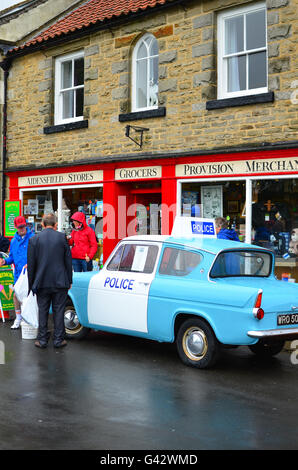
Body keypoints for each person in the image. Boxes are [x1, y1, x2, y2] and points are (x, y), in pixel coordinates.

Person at [27, 213, 73, 349]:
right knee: (59, 310)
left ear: (42, 224)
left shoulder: (34, 239)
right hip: (60, 281)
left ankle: (42, 340)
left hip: (41, 282)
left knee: (43, 310)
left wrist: (31, 285)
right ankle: (58, 340)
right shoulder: (62, 238)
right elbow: (68, 261)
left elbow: (31, 265)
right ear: (55, 225)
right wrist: (69, 280)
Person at [0, 216, 34, 329]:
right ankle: (18, 318)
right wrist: (4, 261)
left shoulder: (33, 238)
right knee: (16, 296)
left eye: (23, 226)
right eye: (20, 227)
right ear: (16, 227)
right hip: (19, 274)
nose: (22, 229)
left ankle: (29, 319)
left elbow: (38, 255)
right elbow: (12, 258)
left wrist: (31, 263)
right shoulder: (13, 241)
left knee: (29, 296)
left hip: (31, 272)